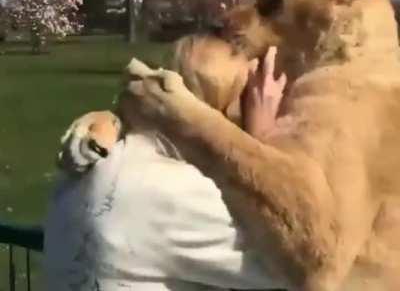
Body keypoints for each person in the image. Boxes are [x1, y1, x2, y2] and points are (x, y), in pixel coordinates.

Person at [43, 37, 290, 291]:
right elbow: (296, 268)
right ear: (221, 117)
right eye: (253, 100)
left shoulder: (95, 156)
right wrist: (262, 146)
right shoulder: (181, 193)